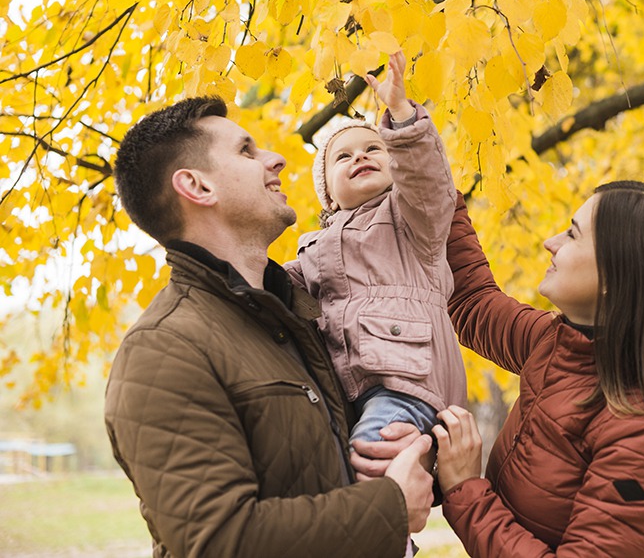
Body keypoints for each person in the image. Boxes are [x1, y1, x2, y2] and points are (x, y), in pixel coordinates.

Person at [105, 94, 433, 557]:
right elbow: (221, 541)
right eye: (246, 151)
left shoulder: (302, 316)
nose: (276, 158)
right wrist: (390, 506)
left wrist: (410, 448)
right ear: (197, 187)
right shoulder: (163, 350)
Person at [431, 181, 644, 557]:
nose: (551, 241)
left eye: (572, 234)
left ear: (618, 273)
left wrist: (465, 490)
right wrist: (433, 181)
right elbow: (473, 302)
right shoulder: (559, 344)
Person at [284, 51, 466, 449]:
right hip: (351, 385)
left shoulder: (411, 217)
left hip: (410, 382)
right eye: (343, 157)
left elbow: (426, 180)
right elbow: (277, 284)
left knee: (369, 453)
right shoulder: (315, 246)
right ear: (328, 195)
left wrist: (400, 116)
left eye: (374, 148)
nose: (360, 156)